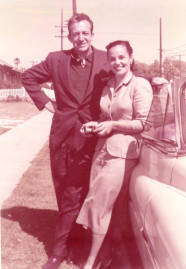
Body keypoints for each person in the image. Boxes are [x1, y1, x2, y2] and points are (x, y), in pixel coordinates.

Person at [21, 13, 109, 269]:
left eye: (85, 32)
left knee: (84, 192)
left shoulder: (105, 59)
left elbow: (127, 77)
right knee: (65, 190)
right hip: (62, 135)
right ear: (69, 36)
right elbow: (28, 77)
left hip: (93, 138)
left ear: (92, 34)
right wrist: (48, 105)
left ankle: (70, 247)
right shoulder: (55, 59)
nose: (80, 37)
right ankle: (66, 246)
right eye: (75, 33)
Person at [76, 40, 153, 269]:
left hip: (123, 154)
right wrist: (95, 125)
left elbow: (143, 123)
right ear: (108, 62)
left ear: (130, 58)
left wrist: (113, 126)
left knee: (99, 205)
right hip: (102, 150)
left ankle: (91, 262)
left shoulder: (139, 85)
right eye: (112, 58)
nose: (117, 62)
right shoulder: (109, 85)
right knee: (110, 207)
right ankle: (111, 255)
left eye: (121, 57)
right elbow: (106, 118)